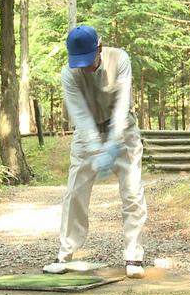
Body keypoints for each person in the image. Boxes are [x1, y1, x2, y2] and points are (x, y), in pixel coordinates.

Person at [43, 25, 147, 278]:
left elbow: (123, 103)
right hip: (87, 132)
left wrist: (112, 142)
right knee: (75, 192)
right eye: (79, 62)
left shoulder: (119, 59)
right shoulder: (69, 73)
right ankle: (65, 253)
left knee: (132, 192)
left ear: (99, 48)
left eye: (88, 61)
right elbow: (79, 114)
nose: (84, 67)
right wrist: (95, 148)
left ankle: (133, 255)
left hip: (122, 128)